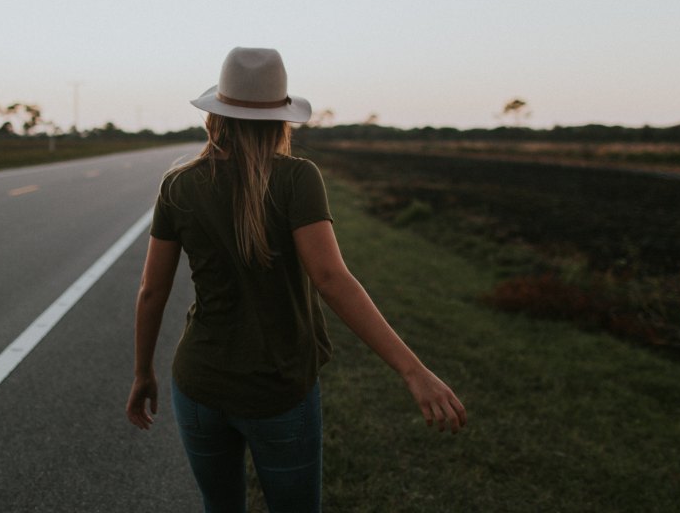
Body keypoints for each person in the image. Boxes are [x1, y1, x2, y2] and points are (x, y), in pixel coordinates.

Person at [126, 47, 466, 512]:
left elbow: (152, 292)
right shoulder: (297, 178)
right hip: (280, 390)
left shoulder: (179, 185)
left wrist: (143, 372)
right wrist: (413, 370)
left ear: (215, 118)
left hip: (199, 385)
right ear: (281, 120)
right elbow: (331, 278)